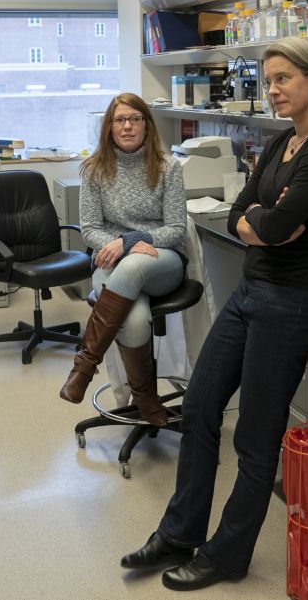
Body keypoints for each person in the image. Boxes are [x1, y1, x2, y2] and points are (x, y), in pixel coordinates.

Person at [120, 37, 308, 591]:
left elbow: (274, 227)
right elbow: (241, 216)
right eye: (269, 80)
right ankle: (180, 532)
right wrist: (262, 222)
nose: (271, 90)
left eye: (283, 79)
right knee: (202, 406)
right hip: (254, 289)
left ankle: (227, 553)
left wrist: (265, 224)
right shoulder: (284, 142)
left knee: (255, 436)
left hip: (294, 301)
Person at [58, 93, 186, 426]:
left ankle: (84, 365)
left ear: (147, 124)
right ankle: (145, 397)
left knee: (132, 264)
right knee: (133, 319)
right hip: (109, 261)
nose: (127, 126)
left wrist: (127, 242)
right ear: (109, 127)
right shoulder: (93, 169)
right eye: (119, 120)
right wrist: (116, 247)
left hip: (161, 259)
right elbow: (89, 230)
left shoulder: (169, 167)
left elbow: (175, 229)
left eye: (135, 119)